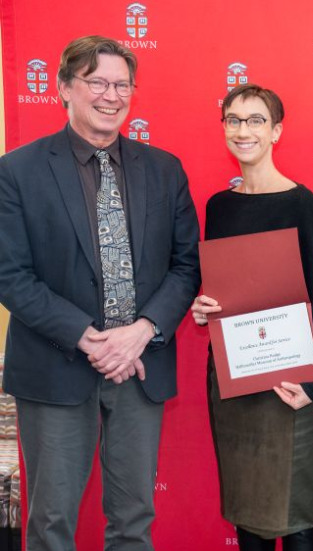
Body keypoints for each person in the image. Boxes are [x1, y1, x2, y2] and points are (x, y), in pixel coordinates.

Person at [0, 36, 200, 549]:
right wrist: (90, 340)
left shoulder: (164, 169)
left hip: (140, 366)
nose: (111, 95)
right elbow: (10, 274)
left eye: (122, 84)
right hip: (55, 366)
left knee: (134, 522)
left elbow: (186, 265)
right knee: (50, 524)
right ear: (64, 88)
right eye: (97, 82)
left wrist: (141, 332)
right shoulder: (16, 172)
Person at [190, 84, 313, 551]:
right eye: (233, 119)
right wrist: (202, 308)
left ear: (276, 131)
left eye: (255, 120)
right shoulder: (218, 207)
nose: (243, 130)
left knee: (294, 512)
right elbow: (219, 291)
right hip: (233, 378)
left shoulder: (300, 204)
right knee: (246, 504)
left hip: (288, 380)